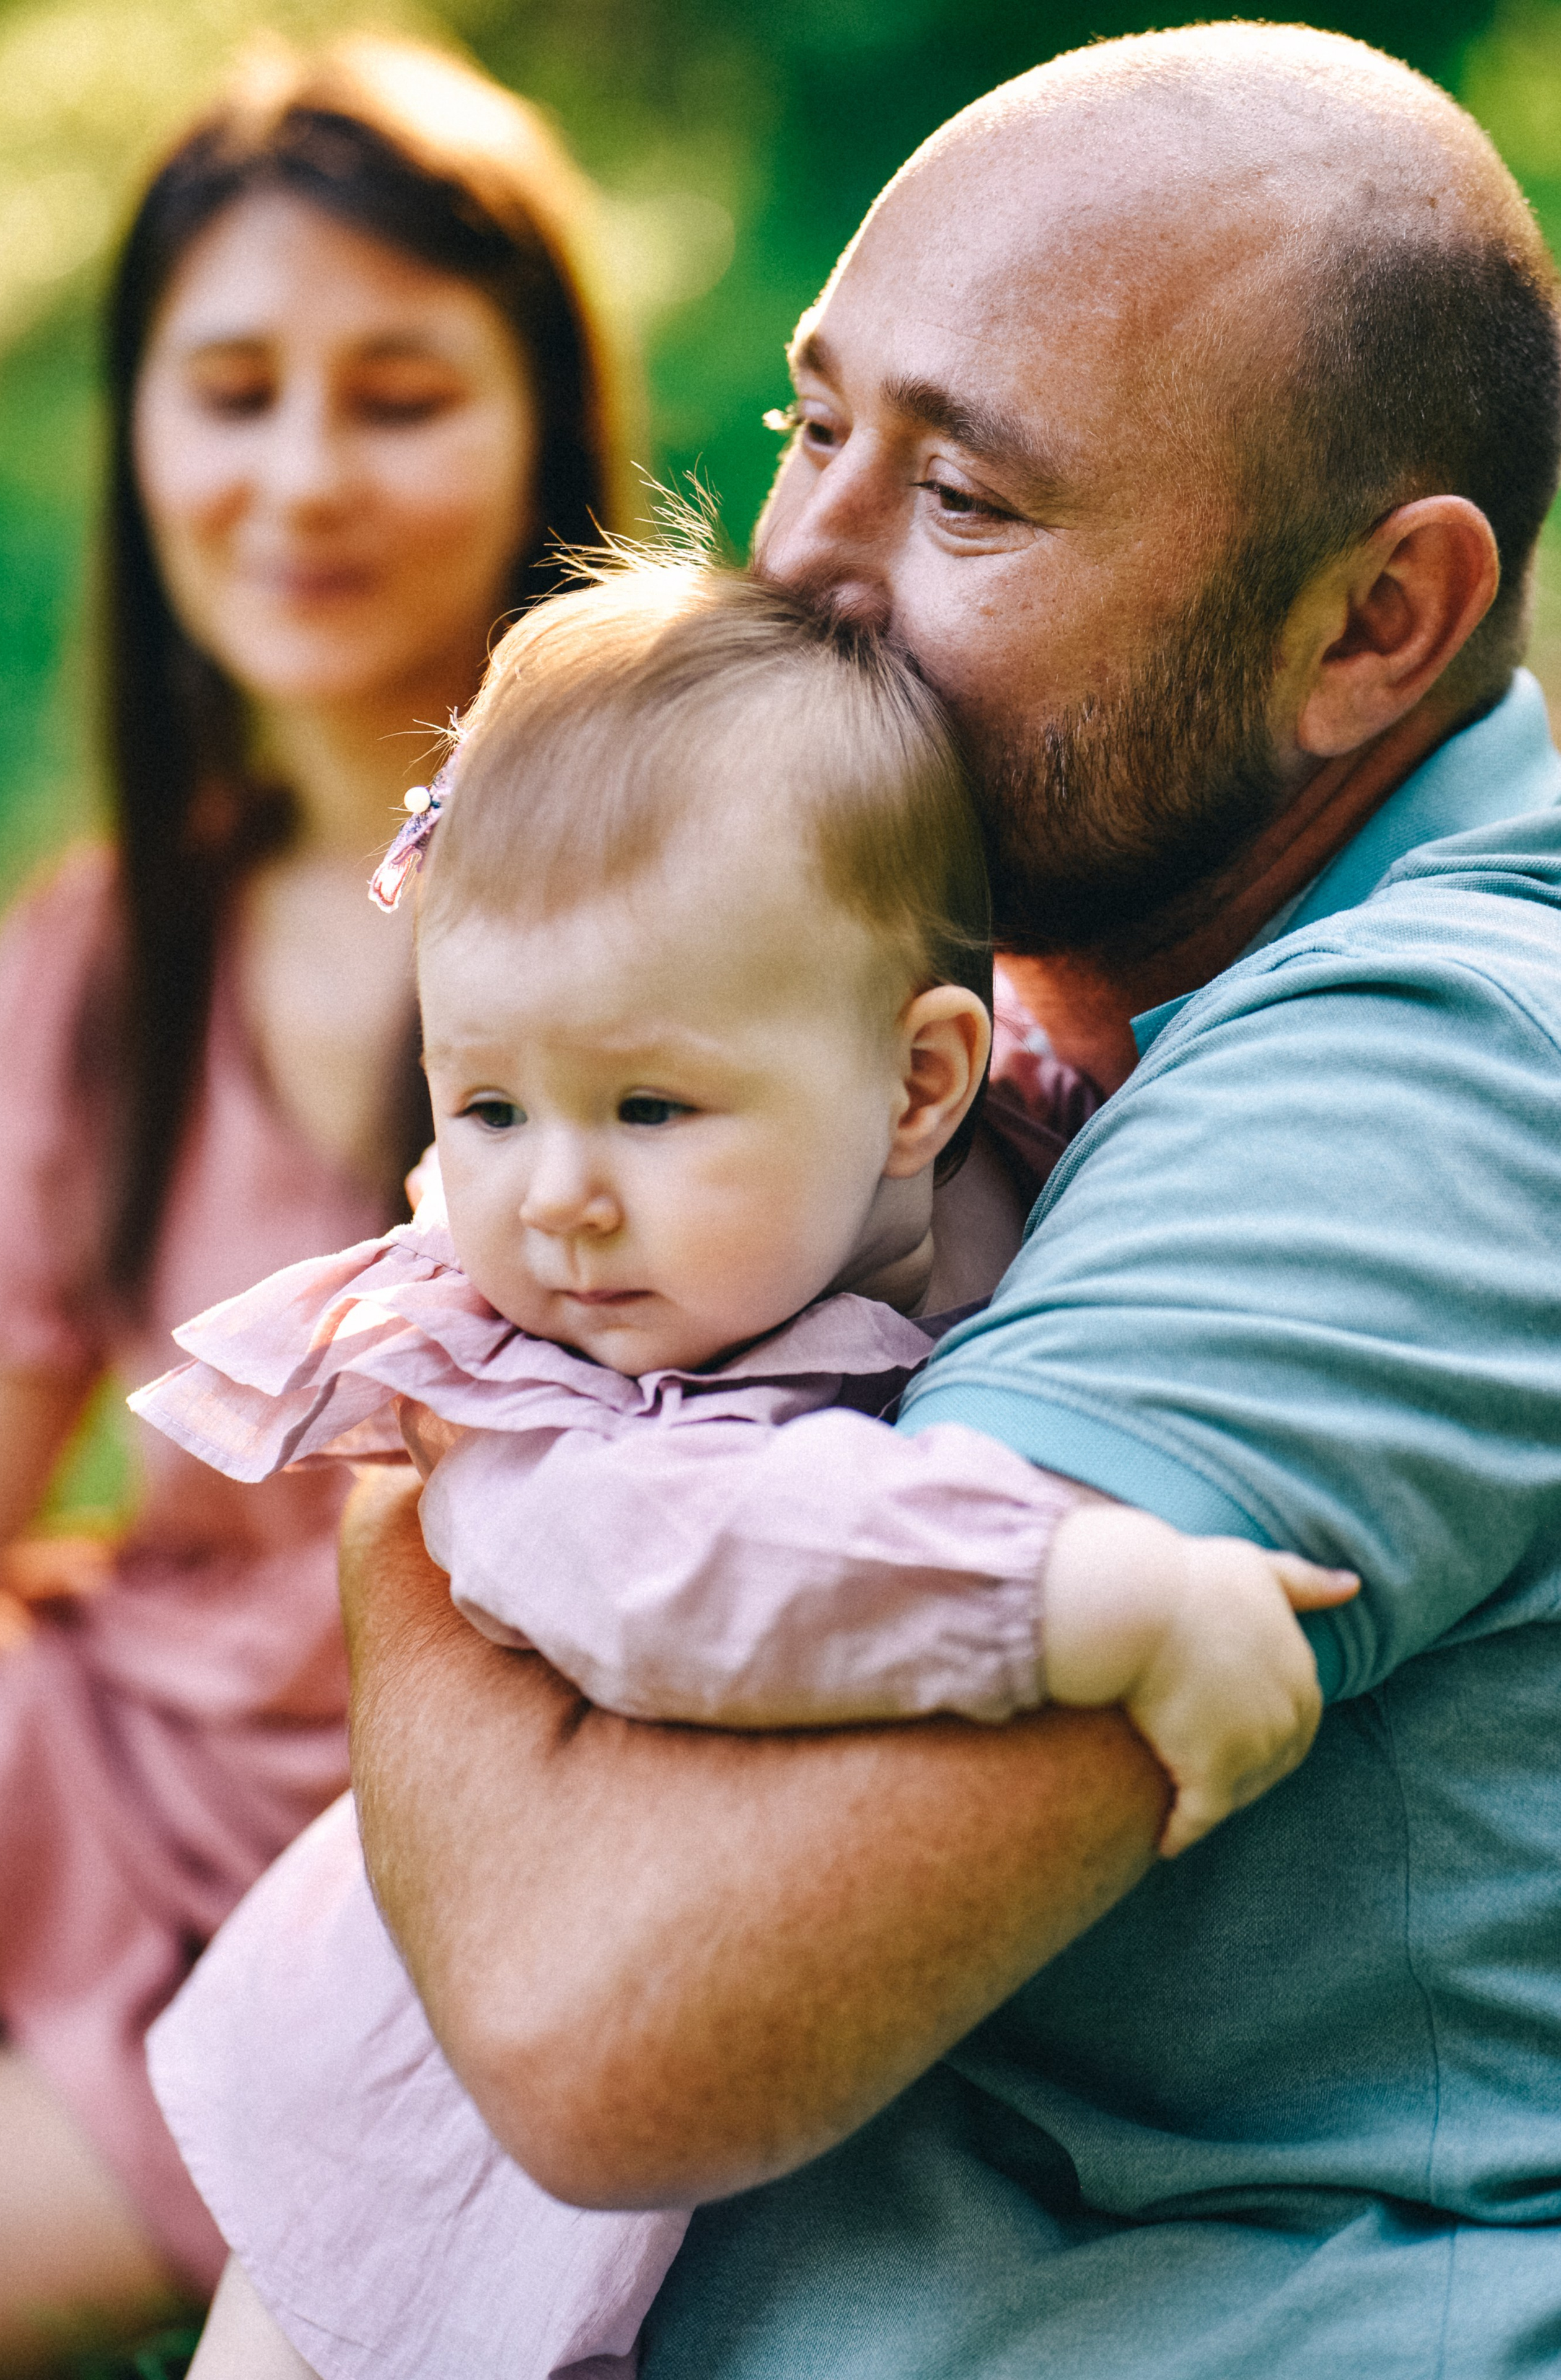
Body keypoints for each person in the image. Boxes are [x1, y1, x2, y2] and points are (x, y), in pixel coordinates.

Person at [314, 24, 1561, 2380]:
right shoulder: (1093, 981)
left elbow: (618, 2042)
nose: (804, 566)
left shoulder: (1427, 1093)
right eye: (811, 429)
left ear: (1374, 625)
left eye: (967, 503)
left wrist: (435, 1418)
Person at [134, 558, 1350, 2380]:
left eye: (648, 1105)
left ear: (921, 1086)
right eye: (484, 1104)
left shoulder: (977, 1133)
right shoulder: (533, 1399)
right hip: (410, 2161)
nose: (554, 1194)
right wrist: (1087, 1597)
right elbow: (702, 1579)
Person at [0, 31, 635, 2374]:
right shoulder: (105, 950)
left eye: (397, 392)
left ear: (544, 416)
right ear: (142, 431)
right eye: (231, 390)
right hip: (79, 1769)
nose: (300, 476)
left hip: (375, 1861)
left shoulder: (684, 913)